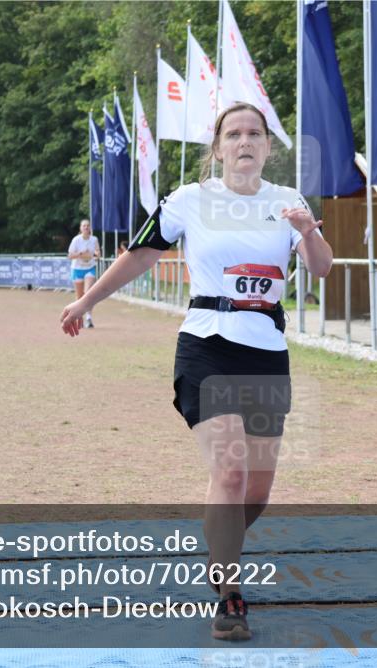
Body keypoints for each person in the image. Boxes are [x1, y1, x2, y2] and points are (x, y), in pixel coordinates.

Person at [61, 102, 333, 641]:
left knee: (255, 492)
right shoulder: (190, 199)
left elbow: (321, 267)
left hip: (265, 351)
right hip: (206, 344)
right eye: (234, 134)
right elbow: (139, 256)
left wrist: (309, 232)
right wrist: (86, 301)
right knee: (229, 472)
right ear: (218, 147)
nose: (245, 142)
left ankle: (218, 543)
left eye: (254, 133)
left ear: (268, 147)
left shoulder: (287, 202)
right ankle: (230, 595)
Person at [67, 219, 100, 328]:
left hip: (89, 268)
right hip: (77, 269)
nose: (86, 227)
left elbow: (98, 253)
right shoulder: (76, 240)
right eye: (84, 226)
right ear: (80, 228)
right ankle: (78, 317)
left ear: (90, 228)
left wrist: (96, 254)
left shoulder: (94, 239)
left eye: (88, 226)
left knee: (88, 293)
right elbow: (70, 256)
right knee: (79, 296)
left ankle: (89, 318)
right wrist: (81, 253)